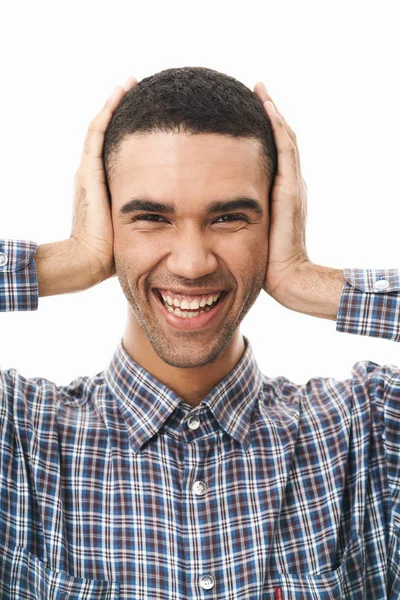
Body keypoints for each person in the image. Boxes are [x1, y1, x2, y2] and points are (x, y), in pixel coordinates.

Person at [0, 67, 398, 600]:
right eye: (150, 217)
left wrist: (311, 282)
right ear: (106, 222)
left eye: (230, 217)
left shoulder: (367, 428)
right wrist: (68, 260)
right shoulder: (21, 439)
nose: (191, 264)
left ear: (278, 221)